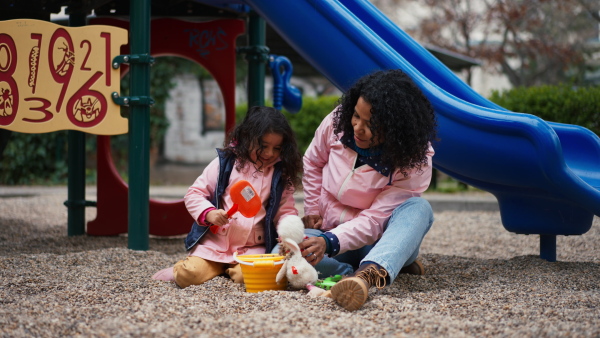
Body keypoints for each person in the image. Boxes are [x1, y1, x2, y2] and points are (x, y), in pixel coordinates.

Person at [295, 69, 437, 311]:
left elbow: (374, 220)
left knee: (419, 208)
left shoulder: (415, 161)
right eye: (356, 116)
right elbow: (313, 162)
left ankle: (366, 277)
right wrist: (312, 210)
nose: (357, 128)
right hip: (332, 235)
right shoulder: (338, 121)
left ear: (395, 129)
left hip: (378, 238)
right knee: (281, 250)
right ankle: (379, 267)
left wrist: (330, 242)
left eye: (370, 124)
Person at [152, 106, 303, 288]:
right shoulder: (226, 163)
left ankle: (228, 271)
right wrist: (209, 213)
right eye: (263, 146)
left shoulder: (280, 175)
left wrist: (288, 234)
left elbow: (285, 211)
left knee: (249, 279)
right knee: (188, 276)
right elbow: (194, 194)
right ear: (248, 138)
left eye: (276, 148)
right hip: (215, 245)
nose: (269, 153)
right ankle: (188, 268)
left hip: (252, 248)